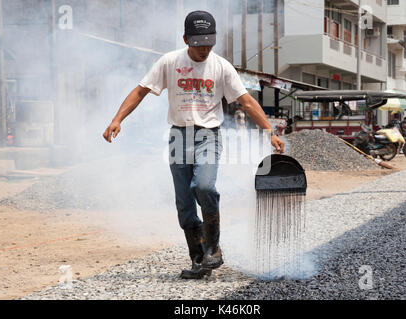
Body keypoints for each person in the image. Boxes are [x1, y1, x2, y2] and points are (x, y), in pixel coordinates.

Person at [102, 11, 285, 279]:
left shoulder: (221, 66)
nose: (204, 49)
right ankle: (199, 261)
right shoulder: (169, 62)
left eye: (209, 43)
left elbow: (246, 101)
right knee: (185, 205)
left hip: (208, 135)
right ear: (186, 39)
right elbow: (141, 90)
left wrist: (269, 131)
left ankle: (214, 248)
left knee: (204, 186)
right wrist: (118, 119)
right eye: (198, 43)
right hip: (178, 135)